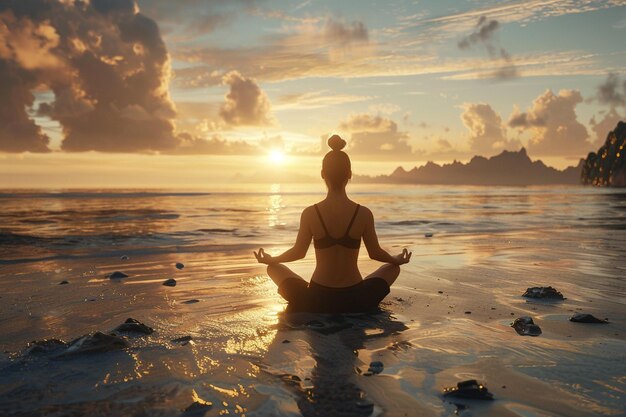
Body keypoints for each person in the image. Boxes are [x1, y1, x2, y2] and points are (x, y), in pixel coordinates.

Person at [254, 134, 411, 313]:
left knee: (274, 268)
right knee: (393, 269)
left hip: (316, 299)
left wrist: (272, 259)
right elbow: (375, 253)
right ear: (350, 174)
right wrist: (396, 260)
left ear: (322, 174)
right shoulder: (363, 213)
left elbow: (298, 252)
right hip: (356, 299)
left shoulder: (310, 213)